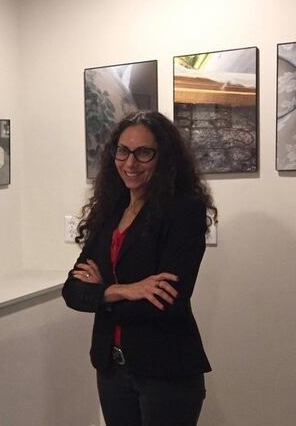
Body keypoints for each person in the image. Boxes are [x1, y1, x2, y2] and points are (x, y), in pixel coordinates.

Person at [62, 111, 216, 426]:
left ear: (164, 158)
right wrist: (124, 290)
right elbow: (72, 291)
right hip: (111, 368)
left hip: (165, 371)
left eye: (143, 152)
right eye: (123, 151)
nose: (130, 163)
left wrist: (101, 294)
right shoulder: (110, 211)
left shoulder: (184, 211)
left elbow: (167, 301)